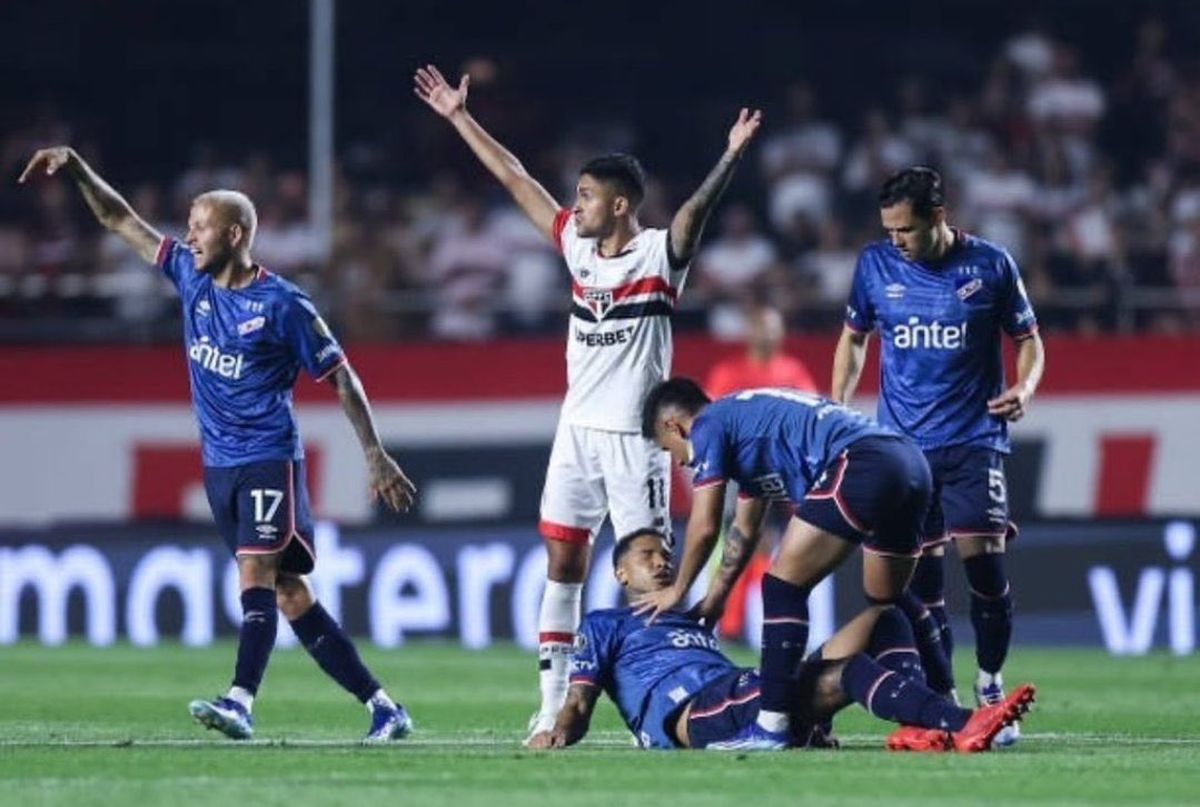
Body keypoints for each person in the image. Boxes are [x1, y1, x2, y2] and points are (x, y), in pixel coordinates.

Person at [19, 147, 418, 743]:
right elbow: (120, 219)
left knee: (255, 572)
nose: (189, 235)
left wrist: (373, 453)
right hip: (219, 466)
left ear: (235, 234)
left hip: (267, 458)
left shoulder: (283, 304)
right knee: (289, 594)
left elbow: (340, 374)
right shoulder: (188, 274)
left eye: (200, 225)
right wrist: (76, 168)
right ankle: (385, 708)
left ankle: (239, 701)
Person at [414, 64, 761, 740]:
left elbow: (693, 216)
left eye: (588, 195)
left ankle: (663, 690)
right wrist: (459, 118)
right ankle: (550, 704)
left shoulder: (659, 256)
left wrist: (729, 155)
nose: (577, 204)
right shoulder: (577, 245)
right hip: (575, 429)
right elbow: (517, 179)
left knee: (652, 576)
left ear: (622, 204)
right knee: (563, 561)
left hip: (636, 441)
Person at [830, 167, 1045, 745]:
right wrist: (838, 408)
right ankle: (946, 697)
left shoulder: (991, 265)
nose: (896, 240)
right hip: (903, 452)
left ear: (938, 218)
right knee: (921, 588)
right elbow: (854, 338)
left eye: (906, 229)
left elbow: (1028, 340)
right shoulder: (874, 266)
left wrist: (1023, 390)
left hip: (974, 441)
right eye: (890, 229)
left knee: (986, 571)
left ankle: (990, 680)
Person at [637, 379, 940, 750]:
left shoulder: (709, 424)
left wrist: (678, 590)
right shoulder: (748, 429)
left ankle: (771, 724)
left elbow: (704, 526)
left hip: (861, 460)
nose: (679, 461)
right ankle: (946, 709)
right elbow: (743, 532)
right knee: (888, 597)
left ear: (674, 426)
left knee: (782, 587)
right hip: (909, 461)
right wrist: (716, 598)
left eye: (669, 451)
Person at [527, 532, 1034, 752]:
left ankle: (918, 725)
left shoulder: (689, 619)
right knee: (852, 670)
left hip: (738, 694)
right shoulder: (603, 623)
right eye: (646, 555)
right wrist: (557, 732)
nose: (662, 561)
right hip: (694, 715)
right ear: (620, 572)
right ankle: (963, 722)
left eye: (666, 553)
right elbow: (579, 699)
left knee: (887, 614)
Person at [704, 304, 817, 640]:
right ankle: (728, 622)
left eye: (773, 327)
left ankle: (758, 623)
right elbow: (712, 423)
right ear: (751, 332)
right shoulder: (728, 373)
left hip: (783, 472)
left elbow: (812, 417)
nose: (768, 334)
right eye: (762, 327)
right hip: (740, 473)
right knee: (735, 545)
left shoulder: (793, 371)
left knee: (776, 547)